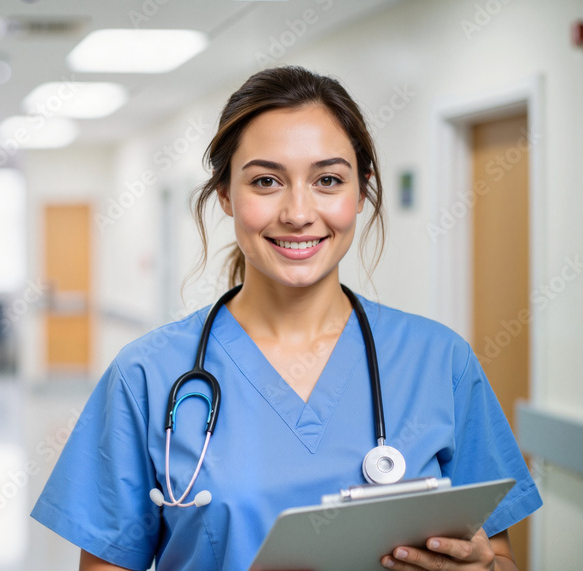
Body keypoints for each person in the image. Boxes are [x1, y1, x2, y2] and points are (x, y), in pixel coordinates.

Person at [30, 67, 541, 571]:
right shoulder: (145, 375)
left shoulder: (439, 361)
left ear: (360, 192)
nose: (298, 212)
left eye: (327, 180)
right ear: (226, 194)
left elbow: (499, 559)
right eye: (267, 180)